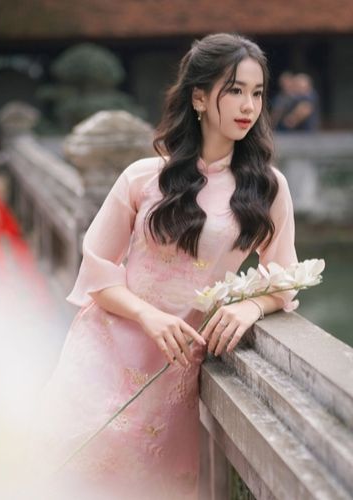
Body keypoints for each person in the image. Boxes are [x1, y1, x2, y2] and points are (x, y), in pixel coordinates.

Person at [32, 33, 298, 498]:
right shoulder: (142, 176)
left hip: (175, 369)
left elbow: (284, 278)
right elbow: (96, 270)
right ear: (198, 97)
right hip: (104, 350)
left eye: (257, 93)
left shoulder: (267, 189)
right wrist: (147, 314)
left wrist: (252, 307)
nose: (248, 105)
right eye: (234, 89)